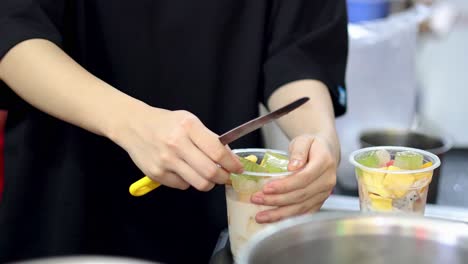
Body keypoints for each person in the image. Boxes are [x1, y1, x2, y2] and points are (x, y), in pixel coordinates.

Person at [0, 0, 348, 263]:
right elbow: (14, 30)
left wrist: (320, 138)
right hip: (63, 200)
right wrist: (129, 121)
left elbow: (301, 51)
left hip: (215, 211)